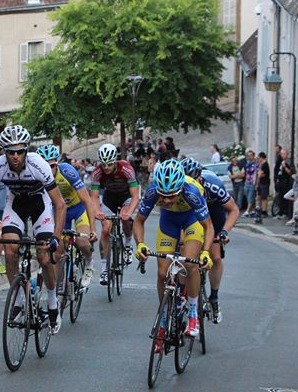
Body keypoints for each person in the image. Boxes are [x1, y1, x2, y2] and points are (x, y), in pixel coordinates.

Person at [0, 125, 66, 335]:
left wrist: (56, 238)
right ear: (4, 152)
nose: (15, 156)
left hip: (41, 203)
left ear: (26, 149)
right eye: (10, 152)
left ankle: (51, 303)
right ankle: (20, 300)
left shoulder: (39, 165)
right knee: (10, 250)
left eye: (20, 151)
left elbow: (60, 204)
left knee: (44, 256)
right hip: (16, 204)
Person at [133, 159, 212, 343]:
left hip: (191, 220)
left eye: (172, 196)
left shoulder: (192, 192)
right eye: (163, 196)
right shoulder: (153, 190)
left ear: (180, 189)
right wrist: (140, 244)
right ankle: (164, 316)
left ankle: (193, 313)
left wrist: (206, 252)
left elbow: (208, 226)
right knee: (162, 273)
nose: (167, 200)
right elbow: (138, 221)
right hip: (168, 222)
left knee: (190, 265)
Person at [180, 157, 239, 322]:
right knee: (184, 253)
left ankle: (214, 297)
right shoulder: (181, 188)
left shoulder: (213, 184)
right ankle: (183, 292)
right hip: (191, 213)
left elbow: (234, 210)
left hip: (213, 212)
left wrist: (224, 232)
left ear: (200, 178)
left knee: (215, 257)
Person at [37, 144, 96, 288]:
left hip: (77, 209)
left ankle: (89, 262)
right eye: (44, 166)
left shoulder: (67, 172)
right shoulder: (38, 176)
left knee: (82, 242)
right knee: (57, 250)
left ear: (56, 163)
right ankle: (59, 285)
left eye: (51, 166)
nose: (48, 170)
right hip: (58, 213)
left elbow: (87, 200)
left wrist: (93, 229)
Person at [90, 143, 139, 287]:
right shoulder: (96, 172)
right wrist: (97, 211)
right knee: (105, 230)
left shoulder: (126, 169)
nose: (106, 168)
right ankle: (104, 269)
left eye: (109, 164)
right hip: (109, 199)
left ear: (115, 161)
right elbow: (94, 196)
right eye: (103, 164)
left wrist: (129, 213)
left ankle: (128, 245)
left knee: (125, 217)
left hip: (126, 197)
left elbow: (135, 196)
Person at [274, 148, 295, 218]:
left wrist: (285, 166)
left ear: (287, 154)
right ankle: (280, 212)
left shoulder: (288, 162)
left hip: (285, 182)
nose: (282, 155)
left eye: (283, 154)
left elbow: (290, 172)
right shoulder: (280, 161)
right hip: (280, 181)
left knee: (284, 197)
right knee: (280, 197)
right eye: (281, 154)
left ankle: (285, 212)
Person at [255, 152, 271, 217]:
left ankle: (264, 211)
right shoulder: (261, 164)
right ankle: (260, 209)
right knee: (260, 197)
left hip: (264, 183)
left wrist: (257, 183)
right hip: (261, 183)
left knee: (264, 197)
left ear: (261, 157)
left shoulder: (265, 165)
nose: (258, 159)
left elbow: (260, 174)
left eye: (259, 158)